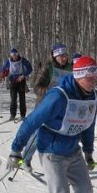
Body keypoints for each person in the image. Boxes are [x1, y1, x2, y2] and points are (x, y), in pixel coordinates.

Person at [7, 55, 97, 193]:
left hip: (73, 151)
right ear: (78, 76)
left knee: (85, 192)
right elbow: (32, 121)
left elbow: (89, 124)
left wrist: (88, 151)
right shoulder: (58, 96)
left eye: (95, 74)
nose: (94, 79)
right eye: (89, 75)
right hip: (51, 151)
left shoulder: (92, 96)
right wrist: (16, 149)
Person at [20, 44, 74, 172]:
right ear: (55, 56)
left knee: (64, 136)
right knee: (37, 136)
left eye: (65, 55)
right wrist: (49, 90)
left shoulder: (71, 68)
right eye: (61, 56)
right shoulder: (48, 68)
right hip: (45, 106)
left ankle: (63, 165)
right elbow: (36, 88)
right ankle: (25, 160)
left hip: (63, 108)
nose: (64, 58)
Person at [0, 48, 32, 120]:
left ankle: (23, 115)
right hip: (13, 81)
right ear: (10, 55)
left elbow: (30, 68)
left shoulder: (22, 60)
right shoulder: (8, 61)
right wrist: (3, 74)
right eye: (13, 54)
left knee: (22, 99)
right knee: (13, 99)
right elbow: (3, 69)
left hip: (21, 81)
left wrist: (23, 75)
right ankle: (12, 115)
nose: (15, 56)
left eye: (16, 54)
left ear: (18, 54)